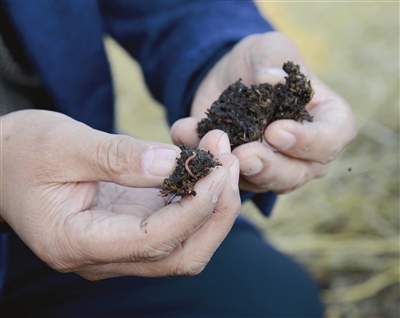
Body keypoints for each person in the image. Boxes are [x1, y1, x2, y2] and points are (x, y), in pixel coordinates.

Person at [0, 1, 356, 317]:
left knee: (271, 299)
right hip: (19, 183)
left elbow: (179, 7)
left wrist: (218, 53)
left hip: (70, 197)